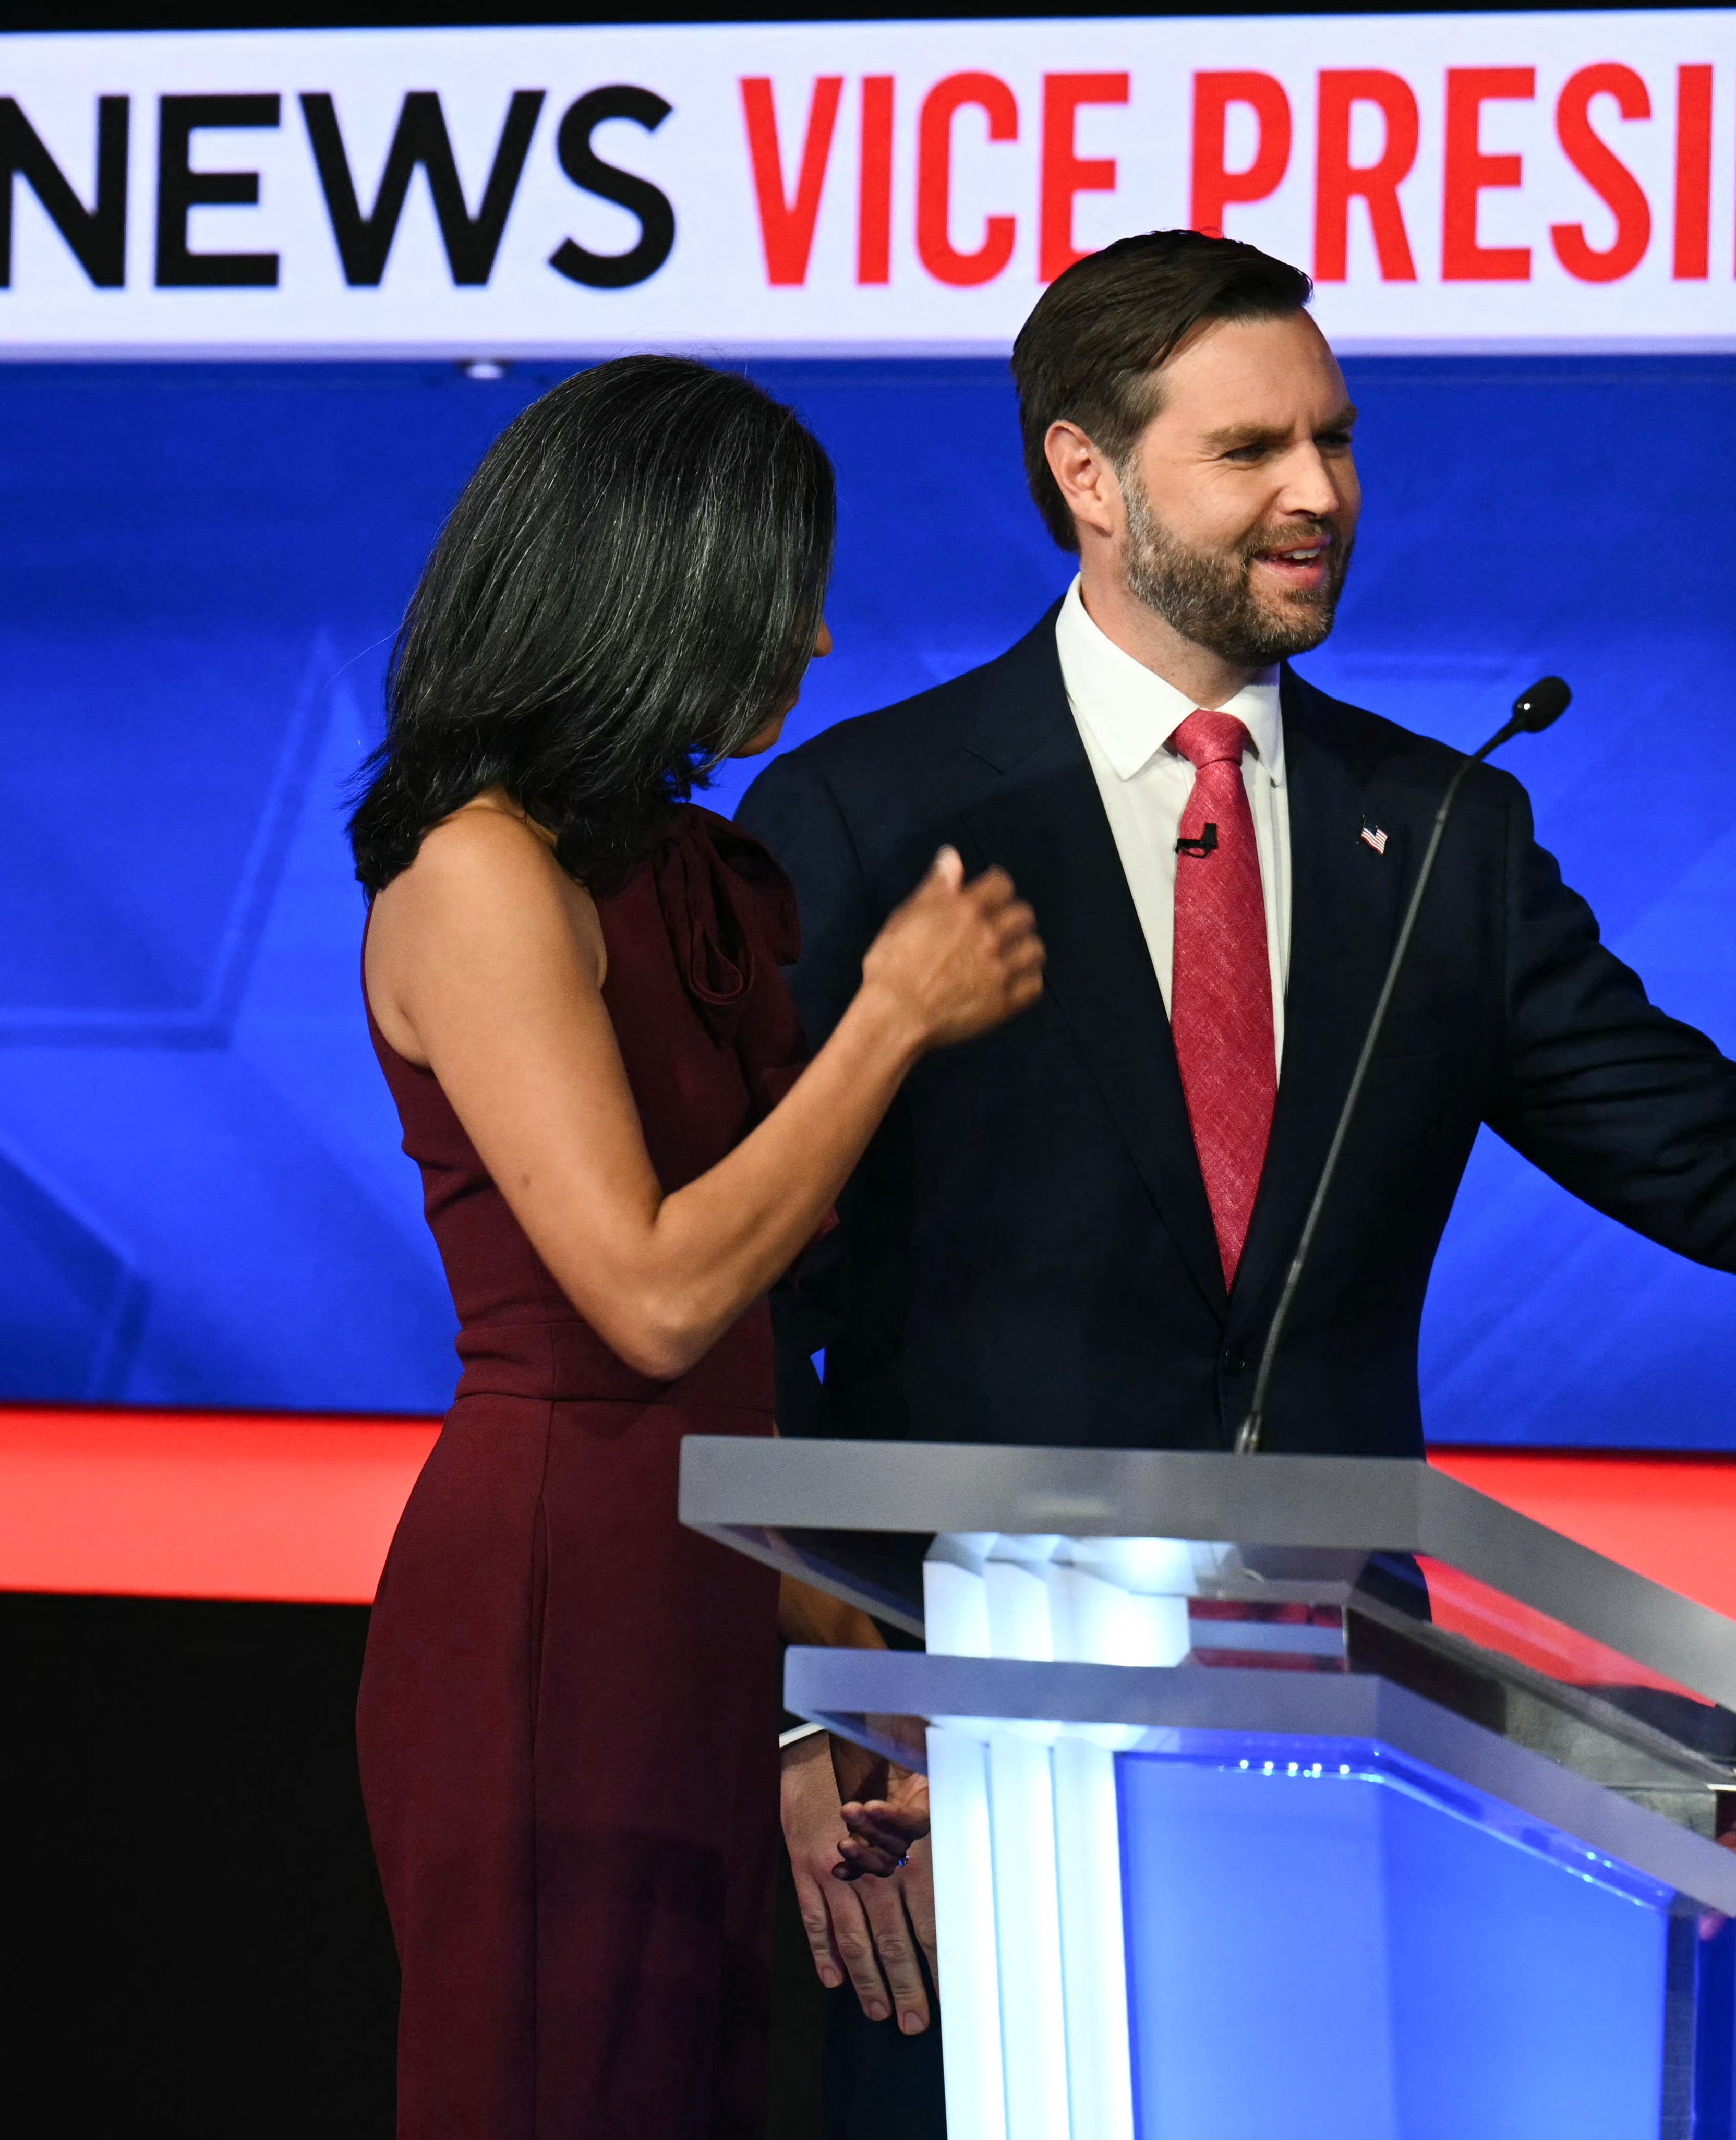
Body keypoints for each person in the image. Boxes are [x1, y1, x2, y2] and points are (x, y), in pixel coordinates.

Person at [733, 231, 1736, 2124]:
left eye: (1338, 442)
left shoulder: (1440, 830)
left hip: (1346, 1740)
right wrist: (820, 1697)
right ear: (1086, 479)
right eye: (1253, 450)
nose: (1320, 496)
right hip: (968, 1763)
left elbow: (1723, 1162)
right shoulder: (874, 813)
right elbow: (766, 1294)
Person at [348, 356, 1044, 2139]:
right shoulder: (478, 873)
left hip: (700, 1595)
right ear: (659, 582)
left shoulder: (684, 870)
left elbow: (745, 1337)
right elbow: (654, 1296)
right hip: (557, 1602)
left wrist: (815, 1676)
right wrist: (890, 1017)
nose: (817, 642)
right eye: (782, 587)